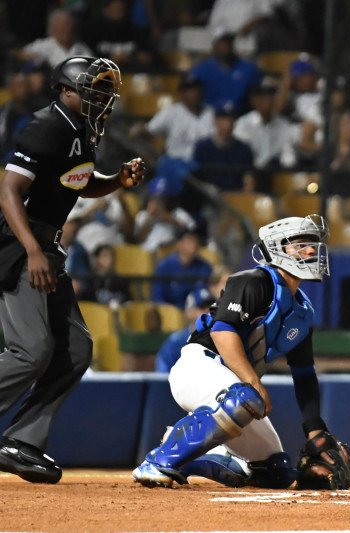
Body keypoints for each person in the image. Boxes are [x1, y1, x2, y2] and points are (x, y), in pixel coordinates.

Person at [133, 215, 350, 491]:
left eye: (312, 244)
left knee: (276, 472)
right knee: (245, 398)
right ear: (277, 248)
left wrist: (315, 428)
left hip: (234, 386)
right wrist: (253, 381)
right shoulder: (253, 280)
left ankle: (189, 456)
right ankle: (157, 461)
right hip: (197, 368)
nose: (311, 250)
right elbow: (222, 332)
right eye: (300, 244)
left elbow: (304, 375)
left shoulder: (302, 312)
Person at [0, 56, 144, 484]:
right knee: (32, 350)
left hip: (46, 246)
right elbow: (8, 191)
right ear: (65, 91)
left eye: (105, 92)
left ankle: (21, 440)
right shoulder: (46, 126)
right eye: (94, 91)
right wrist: (32, 251)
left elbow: (78, 182)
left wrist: (116, 179)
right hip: (16, 245)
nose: (102, 99)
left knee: (76, 350)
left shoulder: (80, 130)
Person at [154, 287, 215, 374]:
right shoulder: (175, 342)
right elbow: (162, 376)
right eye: (201, 307)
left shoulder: (220, 338)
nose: (207, 311)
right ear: (189, 312)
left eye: (211, 307)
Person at [151, 228, 213, 308]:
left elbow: (208, 294)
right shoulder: (164, 266)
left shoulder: (204, 266)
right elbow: (157, 298)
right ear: (179, 244)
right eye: (190, 240)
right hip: (171, 314)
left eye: (195, 240)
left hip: (196, 313)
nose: (194, 243)